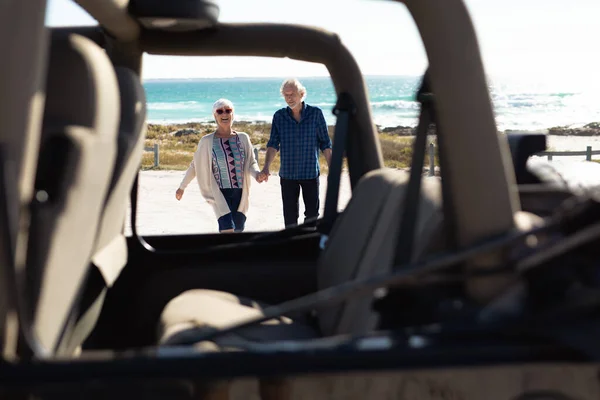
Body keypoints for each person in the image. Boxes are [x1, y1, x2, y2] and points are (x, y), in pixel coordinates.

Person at [175, 99, 264, 233]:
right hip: (219, 193)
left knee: (238, 230)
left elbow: (251, 162)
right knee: (227, 229)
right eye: (220, 111)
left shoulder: (243, 138)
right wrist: (182, 187)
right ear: (215, 115)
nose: (224, 114)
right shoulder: (207, 141)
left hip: (241, 193)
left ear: (232, 114)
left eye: (228, 110)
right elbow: (195, 166)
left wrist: (257, 174)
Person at [260, 78, 332, 228]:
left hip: (310, 173)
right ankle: (291, 248)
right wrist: (266, 167)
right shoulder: (279, 116)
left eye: (292, 94)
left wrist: (333, 167)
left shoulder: (316, 114)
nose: (289, 98)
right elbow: (273, 144)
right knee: (290, 218)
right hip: (288, 175)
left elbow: (325, 143)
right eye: (286, 95)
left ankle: (307, 246)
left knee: (312, 216)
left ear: (302, 94)